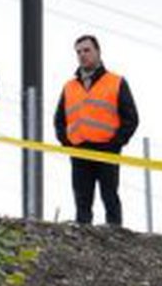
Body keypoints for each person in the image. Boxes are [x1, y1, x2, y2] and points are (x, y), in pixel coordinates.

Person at [53, 35, 139, 226]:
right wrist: (67, 142)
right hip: (79, 151)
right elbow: (59, 120)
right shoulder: (69, 86)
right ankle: (83, 243)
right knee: (82, 202)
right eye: (79, 52)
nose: (82, 55)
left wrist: (115, 144)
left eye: (87, 50)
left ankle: (116, 236)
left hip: (106, 151)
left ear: (98, 52)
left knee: (110, 197)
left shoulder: (115, 82)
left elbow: (131, 118)